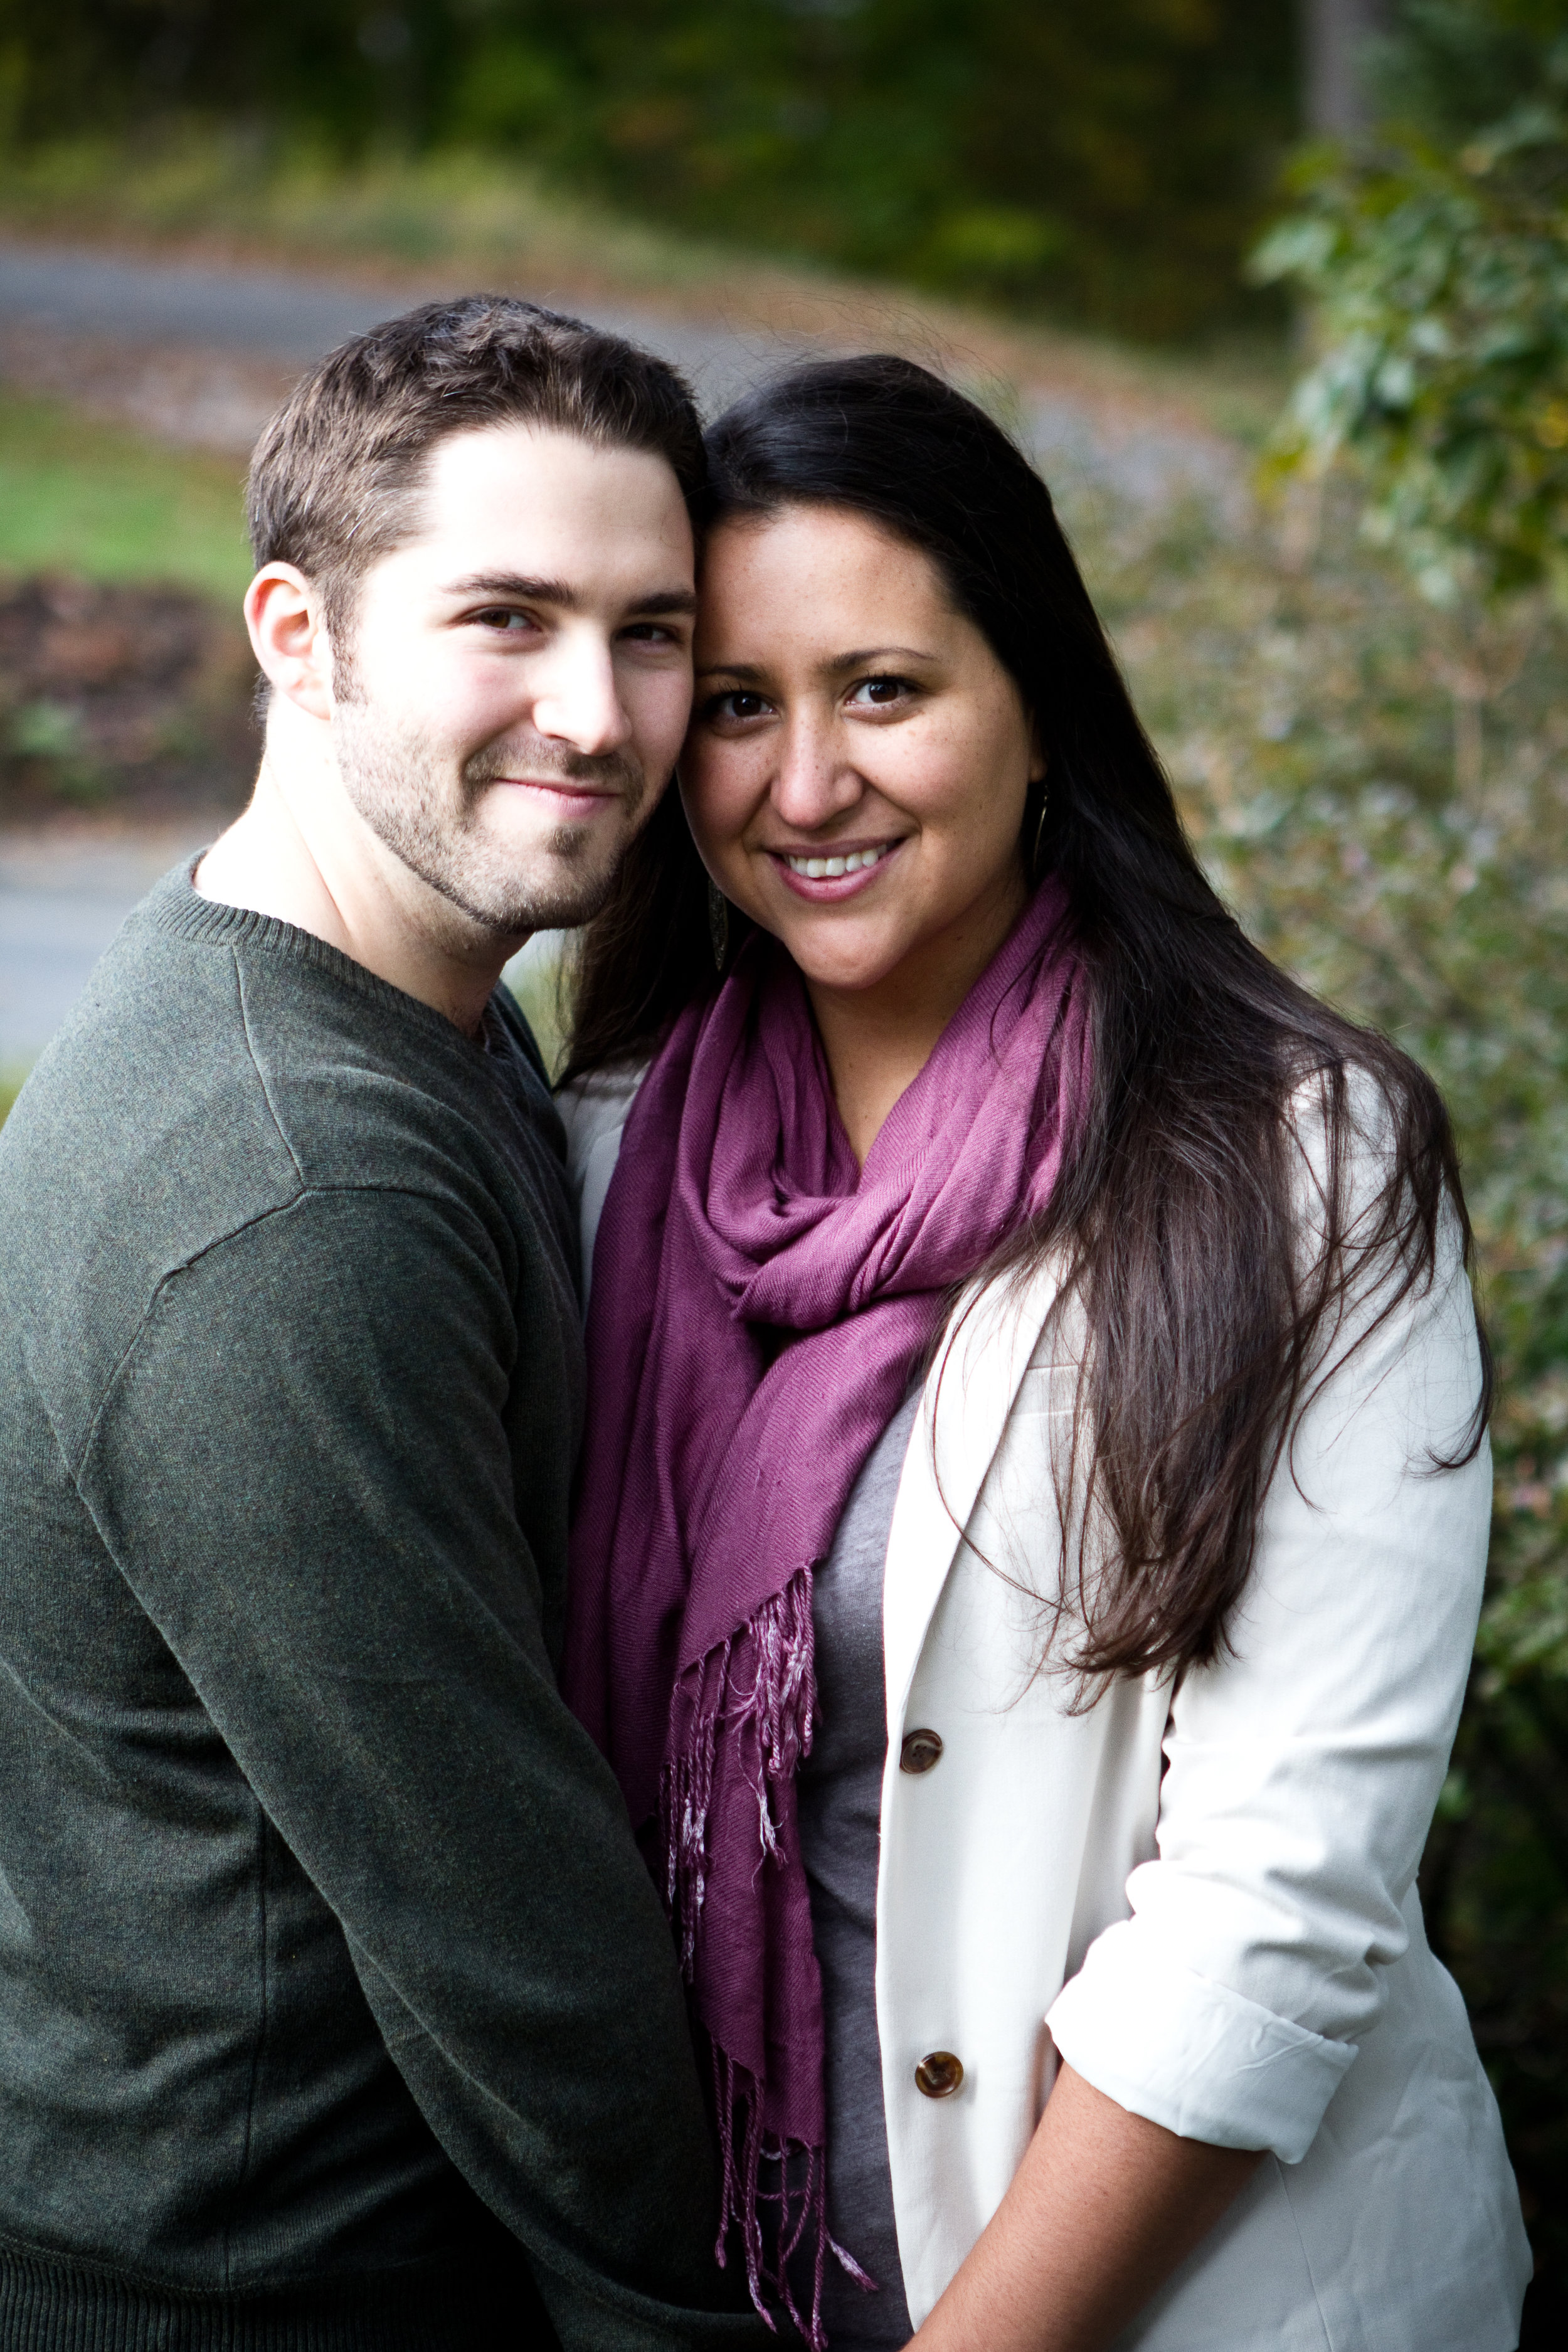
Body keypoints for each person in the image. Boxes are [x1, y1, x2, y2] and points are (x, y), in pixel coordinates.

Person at [558, 355, 1534, 2352]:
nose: (802, 782)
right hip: (712, 2301)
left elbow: (1277, 1897)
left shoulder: (1293, 1164)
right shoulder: (605, 1163)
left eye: (884, 690)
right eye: (737, 705)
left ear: (1036, 713)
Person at [0, 297, 765, 2350]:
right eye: (503, 618)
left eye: (653, 629)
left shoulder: (414, 1020)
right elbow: (499, 1931)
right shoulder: (288, 1188)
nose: (599, 715)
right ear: (295, 633)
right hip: (264, 2291)